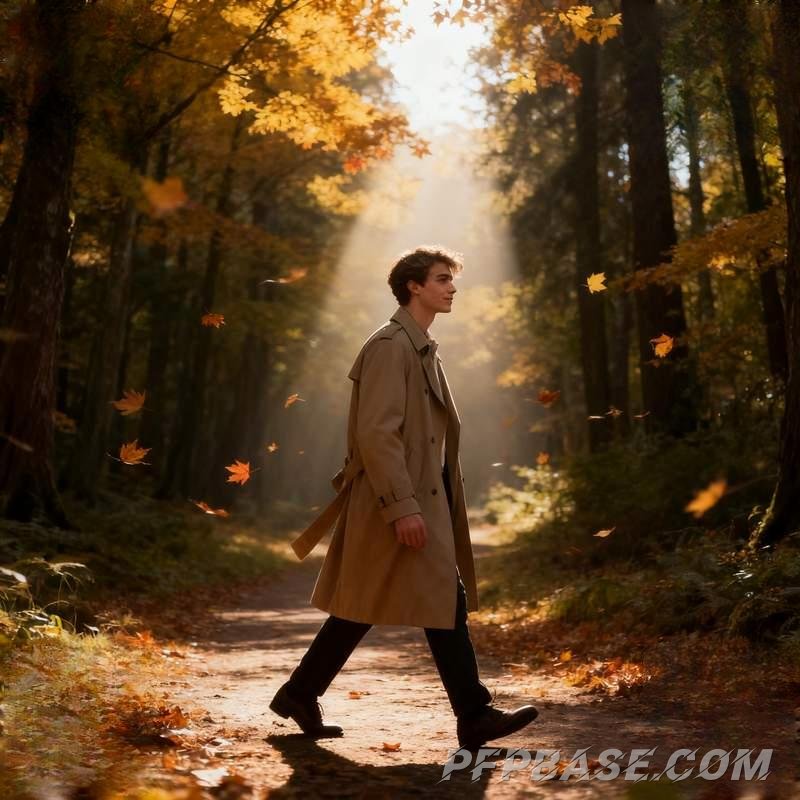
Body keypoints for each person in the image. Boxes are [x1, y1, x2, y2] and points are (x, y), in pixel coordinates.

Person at [270, 246, 538, 751]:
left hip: (415, 498)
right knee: (440, 596)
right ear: (414, 286)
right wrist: (403, 506)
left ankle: (299, 693)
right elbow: (378, 434)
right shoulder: (391, 346)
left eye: (451, 280)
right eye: (442, 279)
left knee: (369, 603)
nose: (451, 288)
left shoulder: (421, 347)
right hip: (394, 501)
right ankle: (474, 715)